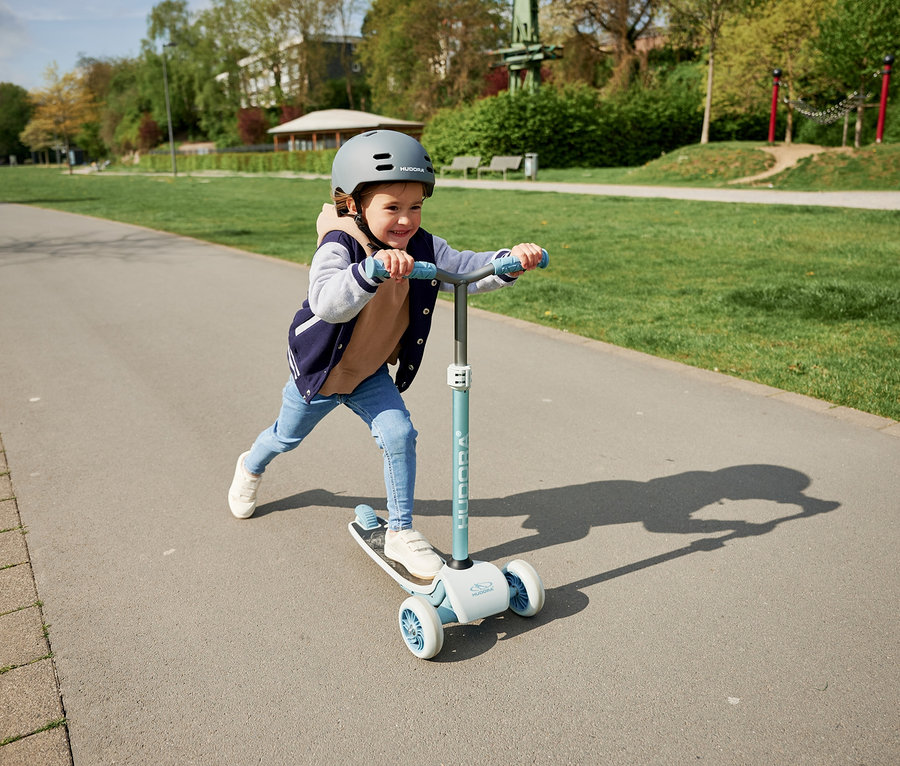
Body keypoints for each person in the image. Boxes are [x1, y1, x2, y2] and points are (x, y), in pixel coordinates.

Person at [228, 130, 544, 580]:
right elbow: (326, 301)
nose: (406, 220)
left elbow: (465, 272)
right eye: (391, 208)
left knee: (400, 434)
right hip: (321, 373)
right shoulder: (339, 244)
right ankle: (250, 465)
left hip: (368, 372)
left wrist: (509, 261)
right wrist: (370, 270)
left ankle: (400, 531)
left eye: (415, 207)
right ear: (353, 205)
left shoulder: (422, 246)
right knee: (285, 435)